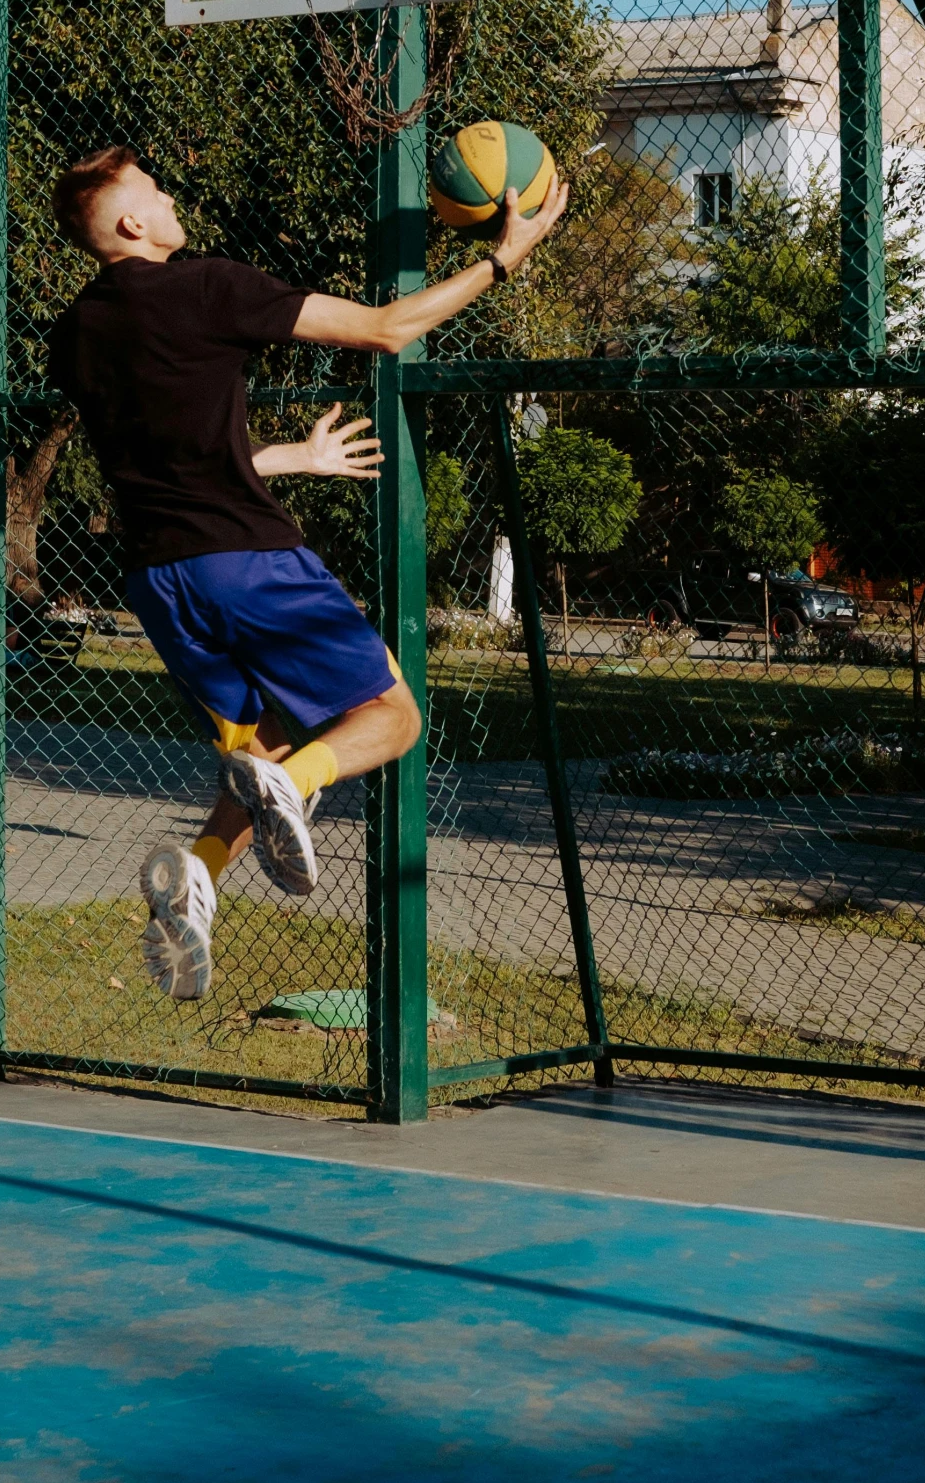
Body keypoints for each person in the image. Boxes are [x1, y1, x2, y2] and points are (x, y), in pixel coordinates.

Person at [46, 145, 569, 1001]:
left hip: (158, 581)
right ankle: (295, 786)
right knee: (393, 718)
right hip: (250, 562)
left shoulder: (77, 333)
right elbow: (385, 328)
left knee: (277, 738)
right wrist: (500, 259)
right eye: (156, 190)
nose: (174, 196)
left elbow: (176, 454)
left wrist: (295, 456)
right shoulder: (209, 285)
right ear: (133, 223)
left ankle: (199, 872)